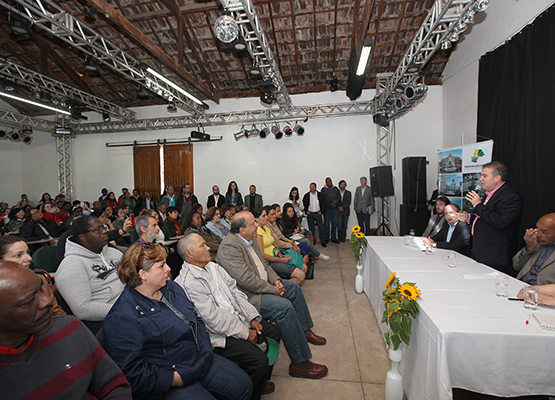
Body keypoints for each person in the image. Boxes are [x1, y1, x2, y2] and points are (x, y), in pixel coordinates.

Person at [103, 243, 253, 400]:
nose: (168, 269)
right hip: (170, 376)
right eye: (161, 266)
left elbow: (197, 320)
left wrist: (205, 351)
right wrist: (176, 379)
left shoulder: (171, 288)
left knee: (243, 386)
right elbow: (133, 373)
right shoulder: (121, 318)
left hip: (198, 358)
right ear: (142, 274)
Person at [217, 211, 328, 379]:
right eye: (253, 223)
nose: (257, 225)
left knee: (293, 288)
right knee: (283, 307)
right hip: (248, 297)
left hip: (263, 285)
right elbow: (246, 280)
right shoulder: (229, 247)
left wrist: (276, 280)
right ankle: (300, 363)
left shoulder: (250, 239)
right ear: (241, 230)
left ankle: (303, 330)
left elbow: (265, 265)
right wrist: (272, 289)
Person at [0, 262, 131, 399]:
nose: (48, 300)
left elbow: (114, 386)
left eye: (41, 290)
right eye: (28, 302)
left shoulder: (69, 328)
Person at [176, 233, 281, 399]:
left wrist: (251, 317)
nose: (208, 248)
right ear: (189, 254)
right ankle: (250, 392)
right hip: (218, 335)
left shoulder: (213, 267)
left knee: (274, 333)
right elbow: (213, 319)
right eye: (202, 245)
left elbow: (235, 292)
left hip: (238, 320)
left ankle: (261, 381)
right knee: (258, 361)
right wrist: (245, 332)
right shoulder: (187, 283)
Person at [56, 216, 124, 334]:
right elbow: (82, 309)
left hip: (129, 308)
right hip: (104, 321)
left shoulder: (114, 253)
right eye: (97, 230)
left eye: (103, 227)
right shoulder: (72, 265)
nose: (104, 231)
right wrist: (126, 310)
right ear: (83, 237)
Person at [456, 161, 523, 274]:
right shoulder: (489, 194)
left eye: (484, 176)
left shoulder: (510, 197)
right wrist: (468, 218)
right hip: (479, 250)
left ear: (497, 178)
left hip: (494, 255)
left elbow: (500, 221)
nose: (480, 179)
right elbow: (485, 219)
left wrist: (478, 205)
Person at [0, 235, 65, 316]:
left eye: (27, 252)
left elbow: (56, 311)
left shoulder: (38, 279)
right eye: (18, 255)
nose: (29, 258)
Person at [253, 207, 306, 285]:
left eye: (266, 215)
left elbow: (275, 244)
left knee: (304, 267)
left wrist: (281, 255)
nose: (266, 217)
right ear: (256, 219)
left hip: (276, 256)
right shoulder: (257, 232)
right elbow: (262, 255)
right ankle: (278, 289)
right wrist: (280, 260)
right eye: (263, 216)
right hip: (269, 262)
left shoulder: (266, 228)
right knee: (301, 275)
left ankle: (289, 286)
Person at [513, 213, 555, 285]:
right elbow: (516, 266)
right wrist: (529, 248)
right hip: (520, 284)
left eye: (544, 232)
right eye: (537, 229)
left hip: (542, 292)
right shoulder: (536, 241)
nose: (538, 234)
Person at [321, 177, 341, 244]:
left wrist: (336, 202)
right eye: (327, 181)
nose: (329, 182)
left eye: (330, 181)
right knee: (326, 225)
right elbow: (323, 199)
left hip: (335, 209)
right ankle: (326, 238)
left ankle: (333, 238)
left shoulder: (336, 189)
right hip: (327, 209)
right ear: (326, 182)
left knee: (334, 224)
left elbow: (339, 197)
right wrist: (332, 202)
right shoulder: (323, 190)